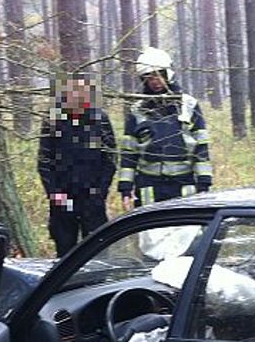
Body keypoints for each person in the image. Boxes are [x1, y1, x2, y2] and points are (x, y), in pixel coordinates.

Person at [118, 47, 213, 210]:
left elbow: (201, 146)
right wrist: (125, 188)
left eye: (158, 75)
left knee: (185, 231)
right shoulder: (137, 109)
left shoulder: (188, 105)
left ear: (167, 74)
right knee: (149, 232)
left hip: (184, 184)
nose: (154, 81)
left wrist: (204, 184)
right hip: (148, 185)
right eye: (148, 77)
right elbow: (129, 152)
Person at [38, 74, 118, 256]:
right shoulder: (53, 120)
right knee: (66, 253)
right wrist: (53, 193)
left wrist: (101, 191)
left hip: (92, 197)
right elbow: (44, 161)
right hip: (62, 198)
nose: (77, 97)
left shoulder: (100, 120)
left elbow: (110, 159)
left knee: (98, 253)